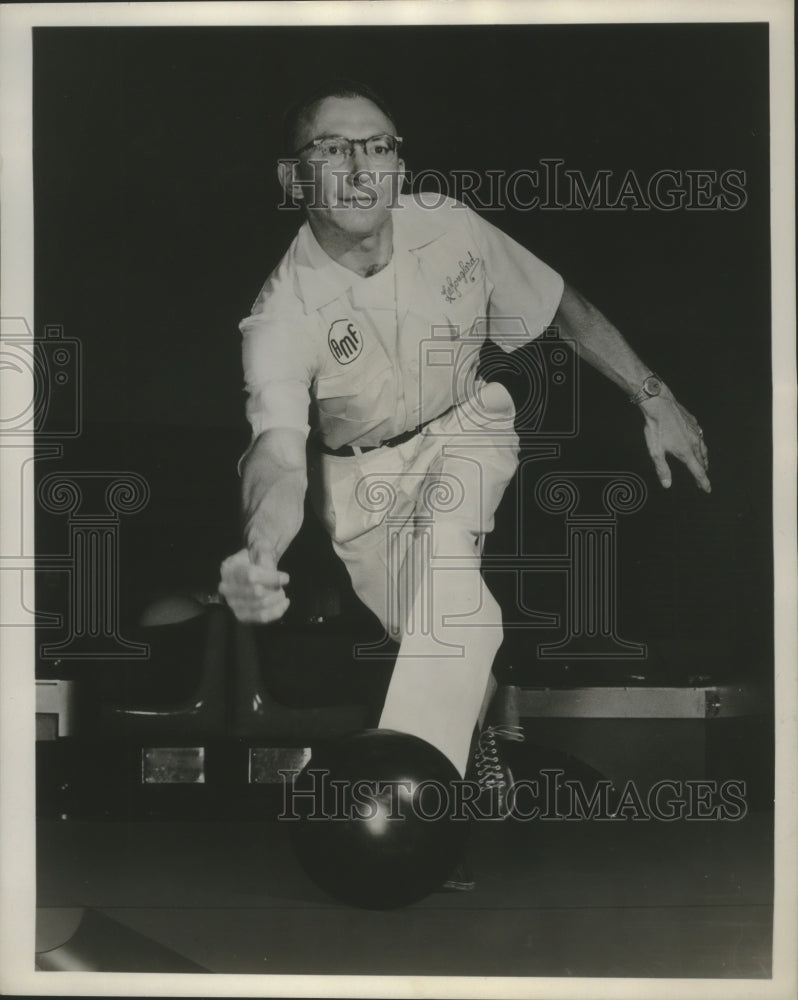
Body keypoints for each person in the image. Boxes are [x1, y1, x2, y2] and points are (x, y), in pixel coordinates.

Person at [219, 78, 710, 830]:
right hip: (364, 480)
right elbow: (279, 457)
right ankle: (482, 714)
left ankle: (418, 819)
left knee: (454, 601)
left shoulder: (449, 225)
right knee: (426, 632)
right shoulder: (281, 315)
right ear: (294, 178)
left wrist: (654, 396)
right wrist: (259, 550)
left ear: (400, 166)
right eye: (332, 149)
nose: (359, 168)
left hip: (467, 426)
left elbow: (561, 307)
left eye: (378, 147)